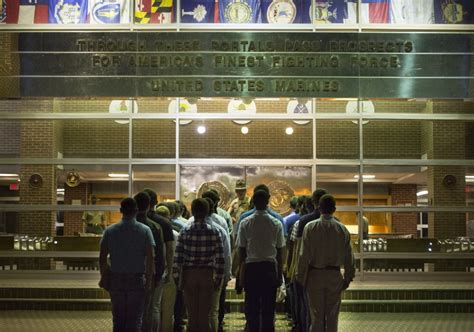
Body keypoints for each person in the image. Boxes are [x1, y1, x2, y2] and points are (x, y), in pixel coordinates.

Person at [296, 194, 355, 332]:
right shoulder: (342, 229)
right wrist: (348, 277)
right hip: (334, 275)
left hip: (314, 275)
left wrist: (301, 277)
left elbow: (303, 255)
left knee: (316, 316)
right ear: (334, 209)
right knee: (332, 317)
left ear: (319, 207)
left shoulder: (310, 228)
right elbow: (349, 257)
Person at [99, 198, 155, 332]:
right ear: (136, 211)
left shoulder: (110, 231)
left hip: (116, 279)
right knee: (135, 320)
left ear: (121, 211)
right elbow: (151, 257)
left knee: (118, 319)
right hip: (136, 279)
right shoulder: (145, 230)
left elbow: (102, 257)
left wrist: (104, 275)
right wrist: (148, 280)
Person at [173, 198, 225, 332]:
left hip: (189, 274)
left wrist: (177, 276)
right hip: (207, 274)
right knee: (204, 315)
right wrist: (218, 279)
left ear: (192, 211)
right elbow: (220, 258)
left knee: (191, 315)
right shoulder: (214, 231)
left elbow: (178, 256)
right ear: (207, 211)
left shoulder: (185, 231)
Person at [237, 189, 285, 332]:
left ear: (253, 202)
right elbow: (280, 251)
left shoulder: (245, 222)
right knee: (268, 308)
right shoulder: (276, 223)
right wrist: (279, 274)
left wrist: (240, 274)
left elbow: (241, 251)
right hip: (269, 268)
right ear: (268, 200)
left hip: (251, 268)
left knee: (251, 307)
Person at [142, 189, 178, 332]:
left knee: (140, 307)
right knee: (154, 307)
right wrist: (169, 270)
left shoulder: (136, 221)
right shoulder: (163, 223)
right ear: (155, 203)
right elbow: (169, 249)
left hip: (137, 270)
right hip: (158, 269)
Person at [134, 192, 166, 332]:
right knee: (148, 310)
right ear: (149, 206)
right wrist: (158, 275)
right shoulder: (153, 227)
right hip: (147, 276)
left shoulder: (117, 229)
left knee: (128, 312)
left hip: (125, 275)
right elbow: (159, 254)